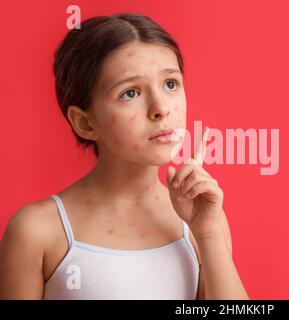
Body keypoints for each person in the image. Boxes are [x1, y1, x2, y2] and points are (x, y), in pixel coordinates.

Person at [0, 13, 249, 300]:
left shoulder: (201, 221)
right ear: (85, 123)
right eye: (130, 92)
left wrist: (208, 233)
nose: (161, 108)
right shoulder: (36, 231)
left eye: (170, 84)